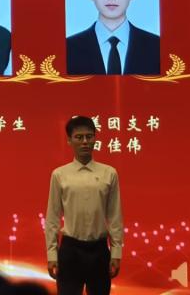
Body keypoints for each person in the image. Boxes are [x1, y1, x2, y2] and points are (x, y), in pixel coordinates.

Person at [44, 116, 123, 295]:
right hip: (70, 250)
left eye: (89, 136)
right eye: (79, 137)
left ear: (95, 138)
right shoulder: (59, 175)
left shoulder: (109, 173)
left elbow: (115, 216)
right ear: (69, 140)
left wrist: (116, 252)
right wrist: (52, 254)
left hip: (99, 250)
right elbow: (53, 217)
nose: (85, 142)